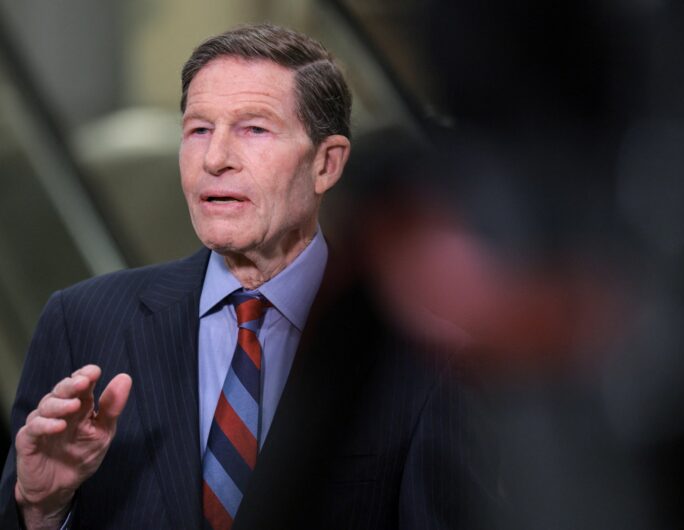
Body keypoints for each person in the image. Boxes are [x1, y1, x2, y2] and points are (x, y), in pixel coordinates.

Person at [0, 24, 497, 529]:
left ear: (327, 164)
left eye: (254, 129)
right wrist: (41, 506)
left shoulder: (429, 365)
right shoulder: (80, 322)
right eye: (199, 130)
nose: (215, 159)